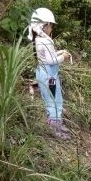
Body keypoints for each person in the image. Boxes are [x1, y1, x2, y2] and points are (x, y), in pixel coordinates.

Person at [28, 8, 72, 140]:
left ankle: (56, 124)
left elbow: (46, 57)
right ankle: (55, 128)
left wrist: (59, 52)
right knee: (54, 101)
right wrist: (63, 57)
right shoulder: (45, 41)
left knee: (51, 100)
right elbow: (51, 60)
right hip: (50, 77)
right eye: (51, 25)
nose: (52, 28)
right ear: (44, 25)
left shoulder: (39, 40)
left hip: (43, 74)